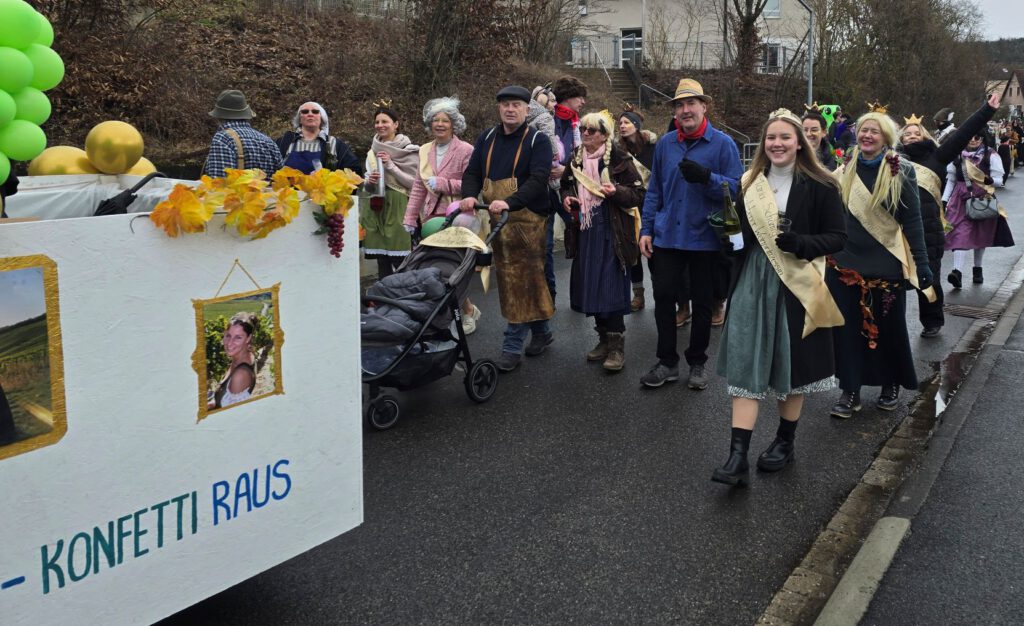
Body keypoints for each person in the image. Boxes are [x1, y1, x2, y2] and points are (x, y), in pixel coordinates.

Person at [711, 108, 847, 486]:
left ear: (800, 142)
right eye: (771, 138)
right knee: (745, 362)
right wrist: (727, 237)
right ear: (763, 143)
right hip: (753, 281)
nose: (777, 144)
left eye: (786, 137)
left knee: (792, 366)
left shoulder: (821, 185)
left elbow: (838, 237)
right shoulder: (749, 182)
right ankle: (737, 456)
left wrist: (802, 242)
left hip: (797, 283)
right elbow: (738, 239)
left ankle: (785, 442)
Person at [638, 78, 743, 390]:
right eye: (680, 105)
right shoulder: (666, 145)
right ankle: (667, 361)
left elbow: (737, 189)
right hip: (667, 234)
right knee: (664, 297)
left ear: (704, 107)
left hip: (705, 238)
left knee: (702, 303)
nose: (685, 110)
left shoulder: (723, 144)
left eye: (691, 103)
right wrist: (646, 229)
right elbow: (654, 190)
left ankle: (697, 362)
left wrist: (708, 178)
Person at [827, 108, 932, 419]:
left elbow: (913, 220)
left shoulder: (902, 170)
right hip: (846, 267)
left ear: (886, 138)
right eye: (863, 130)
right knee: (847, 332)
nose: (867, 135)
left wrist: (922, 264)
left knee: (889, 330)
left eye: (874, 131)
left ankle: (890, 384)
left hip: (887, 267)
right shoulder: (845, 167)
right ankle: (851, 390)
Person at [459, 86, 554, 372]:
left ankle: (512, 346)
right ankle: (541, 332)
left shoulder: (538, 141)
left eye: (516, 105)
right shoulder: (486, 137)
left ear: (527, 109)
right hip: (496, 219)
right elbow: (473, 172)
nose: (510, 109)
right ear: (498, 108)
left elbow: (538, 179)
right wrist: (469, 194)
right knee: (525, 278)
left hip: (528, 219)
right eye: (505, 105)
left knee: (518, 278)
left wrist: (510, 202)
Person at [899, 93, 1000, 338]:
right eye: (907, 134)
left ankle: (932, 320)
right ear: (900, 139)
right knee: (894, 280)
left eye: (916, 133)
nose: (912, 136)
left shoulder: (938, 156)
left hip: (928, 228)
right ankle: (892, 325)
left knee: (929, 276)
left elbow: (963, 133)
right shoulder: (892, 160)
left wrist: (987, 110)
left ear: (924, 136)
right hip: (898, 228)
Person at [560, 111, 644, 371]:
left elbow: (639, 194)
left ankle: (617, 346)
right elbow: (565, 185)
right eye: (584, 129)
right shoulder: (575, 158)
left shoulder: (619, 159)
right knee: (590, 286)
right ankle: (603, 339)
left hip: (613, 231)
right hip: (585, 230)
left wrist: (616, 191)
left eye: (592, 131)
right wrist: (567, 198)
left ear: (605, 135)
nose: (586, 134)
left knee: (610, 288)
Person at [403, 97, 483, 334]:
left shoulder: (466, 150)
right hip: (430, 218)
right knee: (435, 269)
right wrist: (409, 218)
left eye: (444, 120)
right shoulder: (425, 149)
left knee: (454, 269)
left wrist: (444, 183)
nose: (439, 124)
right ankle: (461, 310)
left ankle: (466, 312)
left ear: (454, 124)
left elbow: (473, 184)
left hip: (458, 216)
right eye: (435, 120)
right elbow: (419, 186)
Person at [943, 128, 1013, 288]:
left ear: (983, 138)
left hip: (983, 198)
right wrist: (944, 200)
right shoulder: (957, 155)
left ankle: (978, 269)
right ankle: (957, 272)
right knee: (958, 233)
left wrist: (988, 181)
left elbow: (998, 179)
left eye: (977, 137)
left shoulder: (991, 155)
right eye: (971, 136)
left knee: (981, 234)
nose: (974, 139)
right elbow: (951, 180)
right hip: (959, 200)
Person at [361, 102, 419, 279]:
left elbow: (414, 183)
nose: (380, 125)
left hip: (400, 207)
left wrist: (390, 166)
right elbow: (368, 186)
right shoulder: (372, 152)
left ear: (396, 124)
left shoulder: (408, 150)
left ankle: (408, 298)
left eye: (385, 121)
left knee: (401, 260)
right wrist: (368, 182)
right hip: (377, 206)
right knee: (382, 259)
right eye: (377, 122)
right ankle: (385, 299)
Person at [544, 75, 588, 299]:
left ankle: (582, 292)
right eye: (580, 97)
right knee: (546, 245)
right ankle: (548, 295)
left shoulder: (577, 122)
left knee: (582, 234)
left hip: (569, 186)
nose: (583, 102)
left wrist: (567, 168)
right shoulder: (546, 118)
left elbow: (582, 155)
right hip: (545, 189)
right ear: (568, 97)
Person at [616, 106, 659, 312]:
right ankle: (638, 294)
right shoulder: (619, 151)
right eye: (620, 123)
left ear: (637, 125)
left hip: (652, 203)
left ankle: (660, 292)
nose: (622, 126)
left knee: (653, 251)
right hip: (631, 203)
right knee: (633, 251)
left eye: (626, 122)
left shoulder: (652, 147)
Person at [203, 89, 283, 178]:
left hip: (237, 192)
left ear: (218, 117)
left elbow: (219, 183)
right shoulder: (269, 141)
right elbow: (282, 179)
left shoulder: (223, 138)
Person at [275, 101, 362, 175]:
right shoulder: (284, 142)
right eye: (305, 111)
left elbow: (355, 172)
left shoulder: (335, 145)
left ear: (322, 118)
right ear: (300, 119)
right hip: (289, 194)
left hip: (322, 194)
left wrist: (329, 178)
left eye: (315, 112)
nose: (310, 114)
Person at [210, 312, 258, 409]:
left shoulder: (240, 375)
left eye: (238, 337)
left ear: (248, 338)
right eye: (228, 336)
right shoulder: (242, 355)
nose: (229, 343)